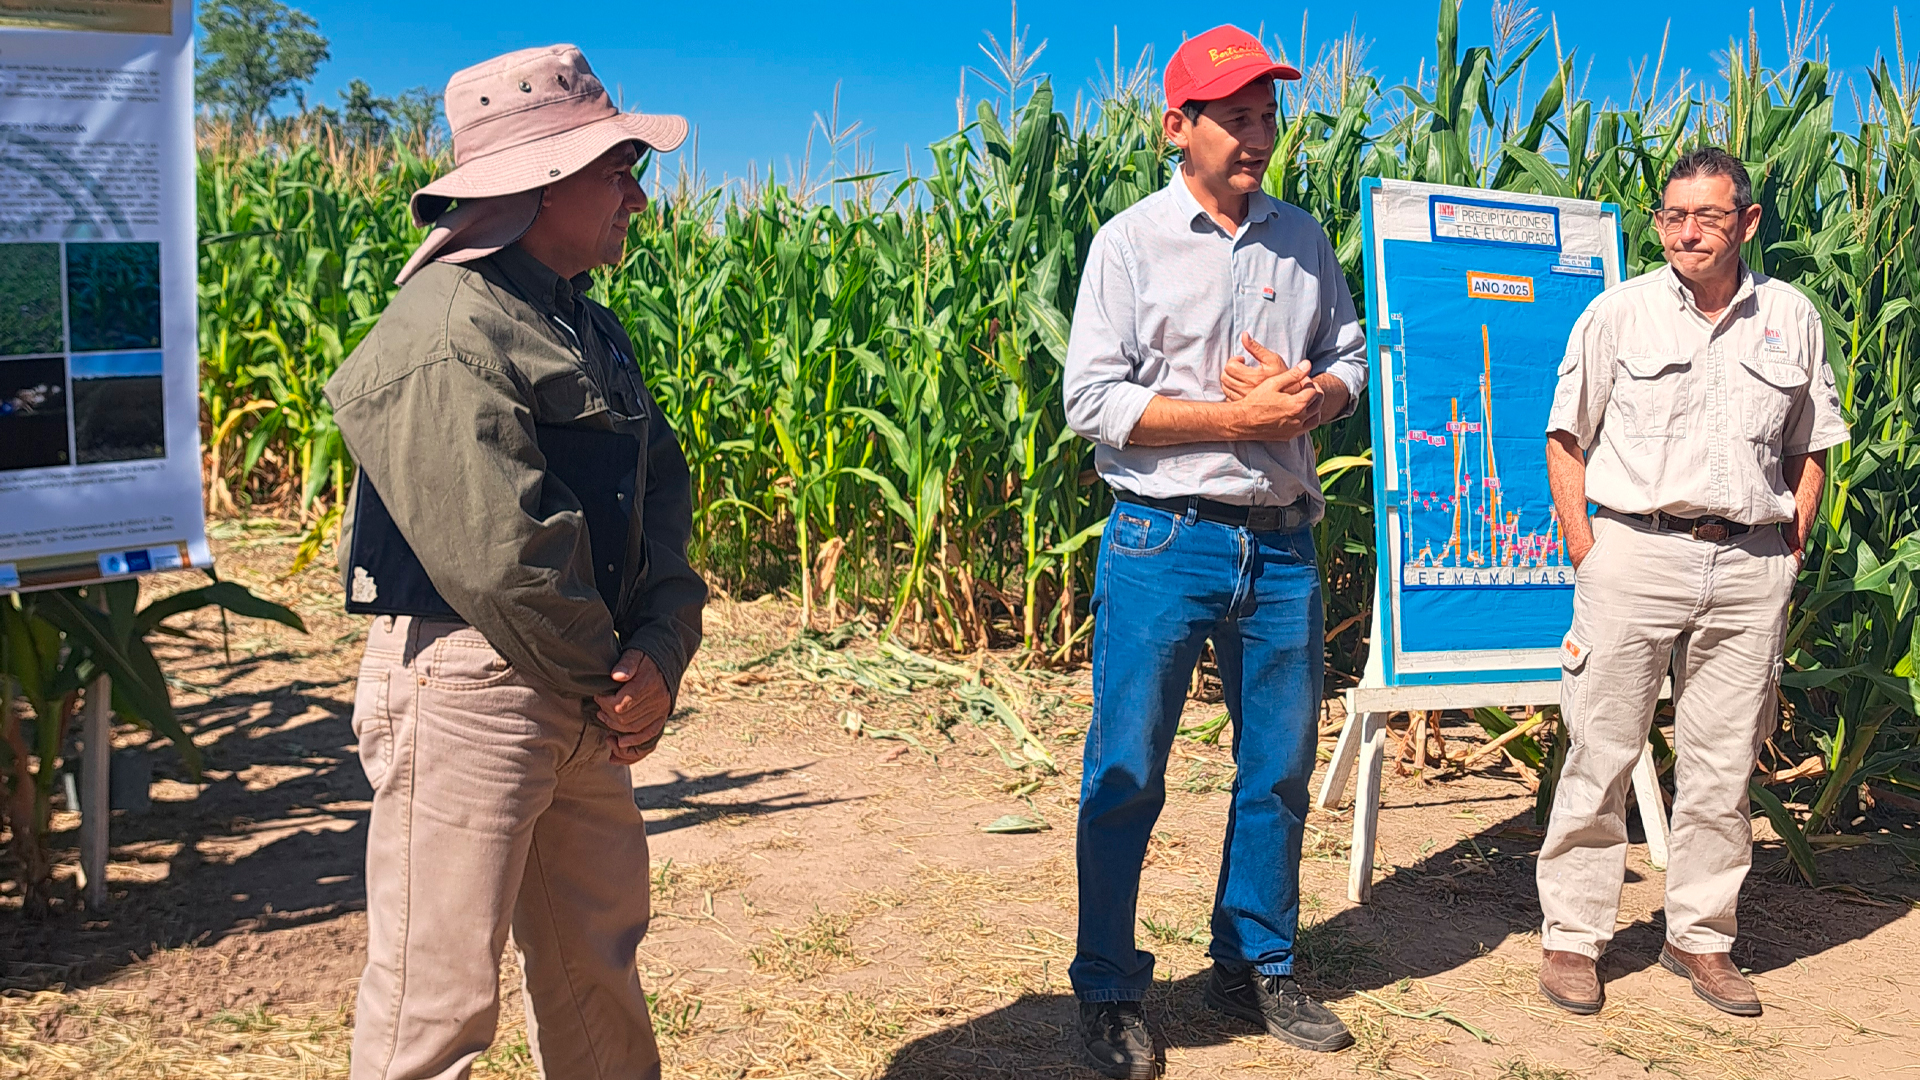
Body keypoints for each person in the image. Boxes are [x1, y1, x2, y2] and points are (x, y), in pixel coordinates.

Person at [323, 45, 706, 1080]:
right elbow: (504, 559)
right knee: (436, 1007)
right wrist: (612, 679)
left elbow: (661, 491)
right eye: (616, 169)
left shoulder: (582, 323)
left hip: (580, 679)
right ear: (541, 185)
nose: (636, 196)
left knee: (598, 968)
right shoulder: (448, 331)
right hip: (475, 689)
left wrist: (662, 648)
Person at [1061, 24, 1368, 1077]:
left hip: (1281, 549)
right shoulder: (1130, 243)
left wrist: (1314, 396)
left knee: (1277, 773)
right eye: (1233, 117)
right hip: (1164, 541)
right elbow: (1092, 401)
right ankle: (1107, 988)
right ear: (1176, 128)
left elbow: (1348, 358)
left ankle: (1257, 961)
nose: (1257, 135)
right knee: (1124, 773)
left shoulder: (1304, 239)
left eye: (1266, 116)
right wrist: (1229, 422)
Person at [1536, 146, 1847, 1018]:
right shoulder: (1619, 314)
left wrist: (1790, 543)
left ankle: (1700, 938)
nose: (1687, 232)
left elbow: (1812, 441)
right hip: (1634, 555)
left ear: (1747, 222)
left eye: (1708, 217)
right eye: (1674, 216)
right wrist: (1588, 553)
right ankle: (1573, 936)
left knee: (1720, 767)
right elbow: (1568, 438)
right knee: (1601, 750)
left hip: (1750, 565)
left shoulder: (1789, 317)